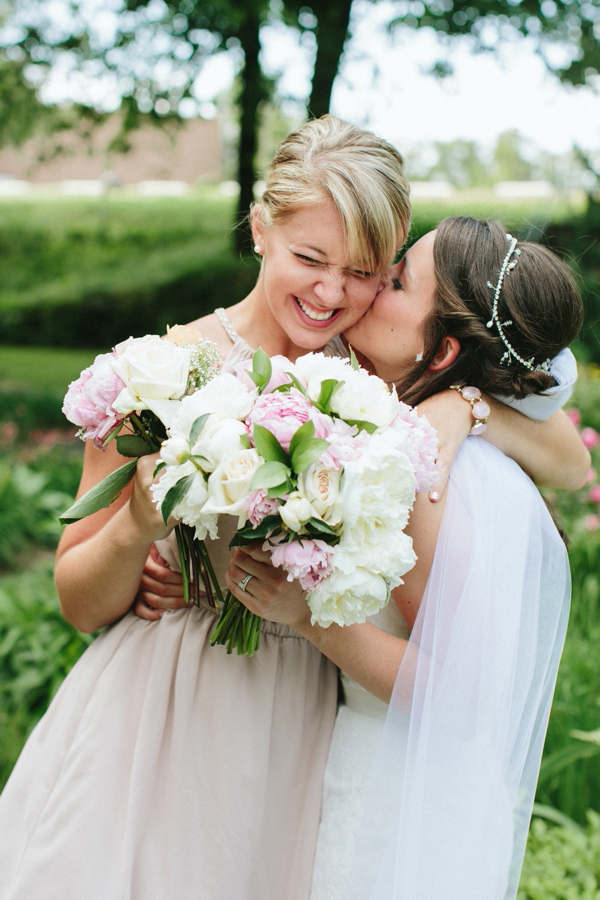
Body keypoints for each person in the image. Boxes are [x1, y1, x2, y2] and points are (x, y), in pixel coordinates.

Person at [0, 113, 587, 900]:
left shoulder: (380, 373)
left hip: (300, 715)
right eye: (310, 258)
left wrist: (466, 408)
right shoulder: (163, 371)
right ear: (259, 229)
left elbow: (570, 457)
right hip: (160, 705)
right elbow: (77, 600)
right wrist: (140, 523)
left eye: (367, 270)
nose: (331, 293)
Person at [223, 217, 586, 900]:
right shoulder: (405, 421)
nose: (372, 279)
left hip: (389, 787)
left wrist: (308, 617)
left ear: (443, 350)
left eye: (396, 280)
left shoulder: (429, 476)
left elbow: (463, 698)